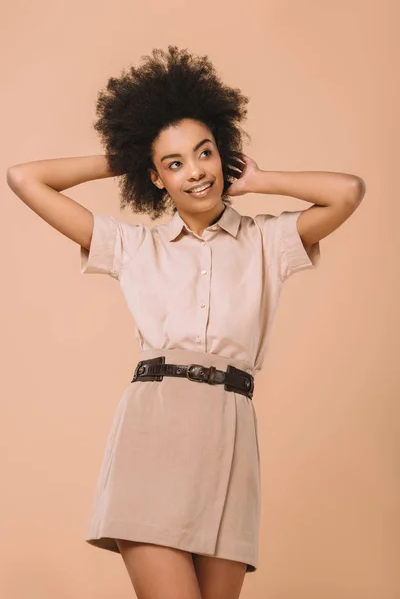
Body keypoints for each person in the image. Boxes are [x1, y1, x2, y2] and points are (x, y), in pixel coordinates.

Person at [6, 45, 365, 599]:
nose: (195, 172)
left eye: (204, 153)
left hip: (231, 433)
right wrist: (130, 154)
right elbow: (25, 178)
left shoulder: (267, 241)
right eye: (173, 163)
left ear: (224, 154)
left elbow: (348, 192)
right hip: (154, 431)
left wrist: (262, 179)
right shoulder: (133, 247)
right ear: (155, 177)